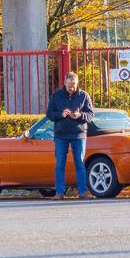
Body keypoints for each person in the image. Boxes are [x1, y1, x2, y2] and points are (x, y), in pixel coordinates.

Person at [45, 71, 95, 200]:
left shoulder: (84, 95)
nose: (71, 87)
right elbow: (49, 114)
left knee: (79, 163)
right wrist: (61, 114)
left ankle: (83, 192)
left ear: (77, 83)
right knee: (60, 164)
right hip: (61, 135)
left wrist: (80, 115)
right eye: (69, 85)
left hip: (79, 134)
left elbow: (90, 115)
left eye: (73, 85)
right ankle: (59, 193)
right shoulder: (56, 95)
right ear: (64, 83)